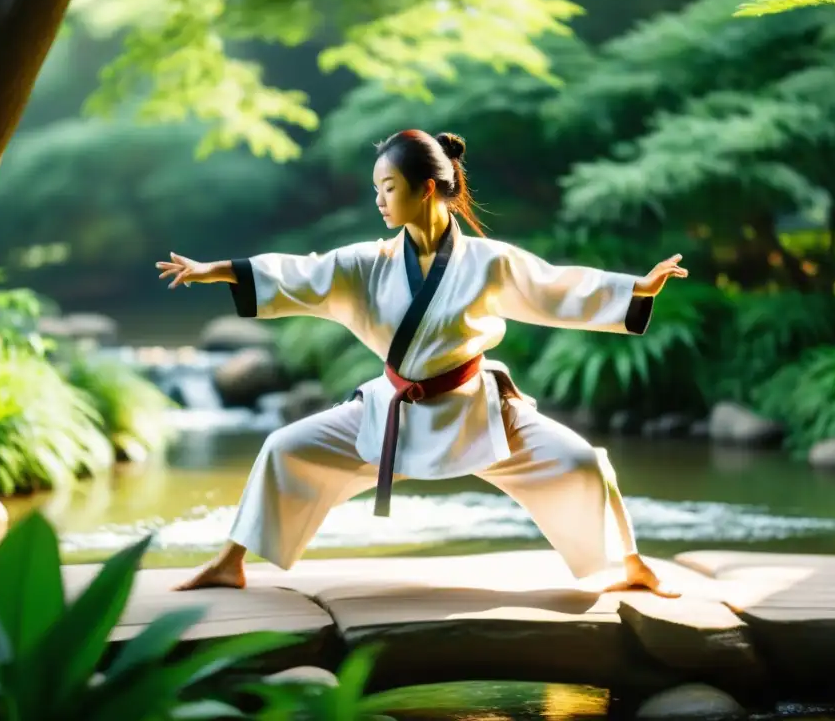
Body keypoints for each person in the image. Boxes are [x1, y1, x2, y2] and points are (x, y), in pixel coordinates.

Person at [157, 129, 687, 596]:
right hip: (394, 410)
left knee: (582, 463)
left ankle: (633, 565)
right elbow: (303, 273)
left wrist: (637, 288)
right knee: (284, 447)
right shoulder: (370, 262)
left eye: (388, 188)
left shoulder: (489, 261)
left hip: (475, 411)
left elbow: (553, 285)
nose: (380, 201)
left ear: (426, 188)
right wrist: (219, 270)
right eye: (376, 191)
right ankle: (230, 563)